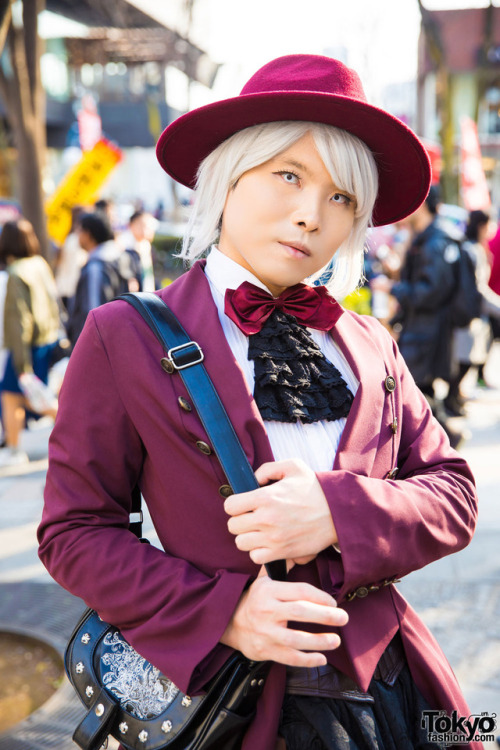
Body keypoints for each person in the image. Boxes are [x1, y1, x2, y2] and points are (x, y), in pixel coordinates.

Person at [38, 55, 480, 750]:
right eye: (288, 176)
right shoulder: (123, 334)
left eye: (341, 198)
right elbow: (74, 532)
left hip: (395, 690)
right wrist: (225, 612)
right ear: (228, 174)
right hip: (238, 704)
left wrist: (338, 510)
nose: (311, 216)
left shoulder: (370, 341)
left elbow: (455, 495)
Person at [374, 186, 465, 448]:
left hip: (429, 329)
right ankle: (445, 437)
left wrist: (394, 288)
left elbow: (430, 293)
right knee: (417, 387)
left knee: (411, 386)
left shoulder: (436, 241)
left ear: (422, 205)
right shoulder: (425, 238)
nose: (401, 214)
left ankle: (444, 439)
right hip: (422, 327)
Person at [0, 219, 60, 467]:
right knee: (21, 395)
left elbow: (19, 321)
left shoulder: (15, 273)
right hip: (46, 339)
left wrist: (21, 363)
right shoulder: (39, 264)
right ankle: (14, 448)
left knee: (16, 395)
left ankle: (15, 451)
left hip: (27, 345)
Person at [447, 210, 500, 413]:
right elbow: (479, 289)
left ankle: (454, 400)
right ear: (481, 226)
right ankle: (451, 401)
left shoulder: (469, 247)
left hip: (465, 312)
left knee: (465, 361)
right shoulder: (473, 250)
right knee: (464, 362)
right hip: (467, 314)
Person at [66, 212, 141, 348]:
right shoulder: (119, 257)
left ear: (88, 234)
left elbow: (92, 313)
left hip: (98, 344)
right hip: (119, 336)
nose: (77, 236)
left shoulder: (96, 267)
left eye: (79, 230)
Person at [117, 209, 158, 292]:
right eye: (141, 225)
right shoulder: (124, 247)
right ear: (131, 225)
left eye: (148, 226)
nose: (145, 229)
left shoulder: (147, 247)